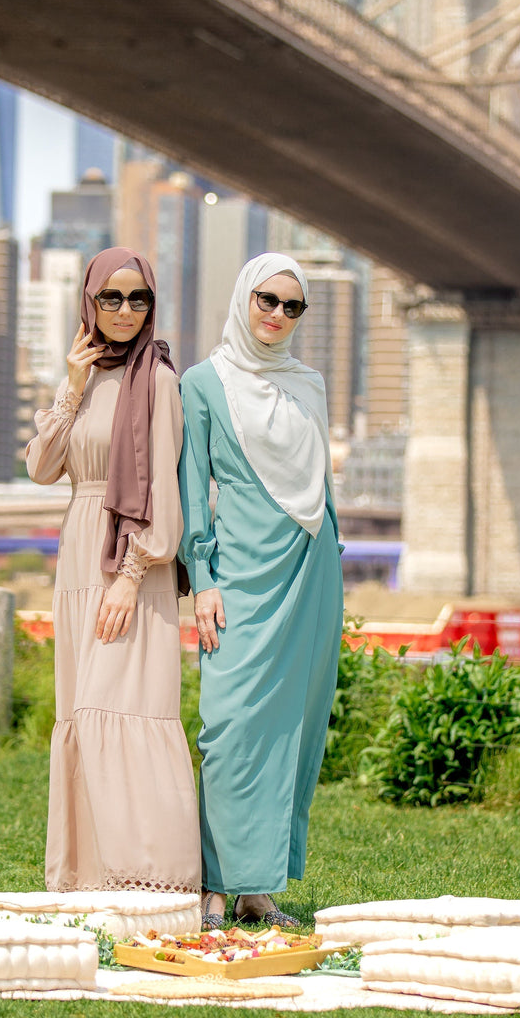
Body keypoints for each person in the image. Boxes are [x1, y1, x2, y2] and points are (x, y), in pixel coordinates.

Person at [26, 246, 200, 893]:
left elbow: (163, 489)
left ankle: (156, 879)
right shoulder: (83, 376)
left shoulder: (156, 379)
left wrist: (131, 572)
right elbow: (43, 468)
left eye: (139, 299)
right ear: (89, 303)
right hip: (78, 554)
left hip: (130, 559)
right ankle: (87, 874)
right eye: (112, 298)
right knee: (80, 711)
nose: (126, 311)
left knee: (124, 707)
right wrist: (70, 389)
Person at [178, 252, 343, 929]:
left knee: (291, 730)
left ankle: (256, 889)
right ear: (244, 299)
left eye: (292, 306)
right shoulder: (203, 382)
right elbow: (194, 486)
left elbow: (318, 484)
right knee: (232, 725)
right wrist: (203, 579)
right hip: (240, 572)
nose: (277, 315)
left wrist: (331, 553)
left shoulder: (309, 384)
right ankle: (214, 883)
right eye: (266, 301)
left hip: (311, 569)